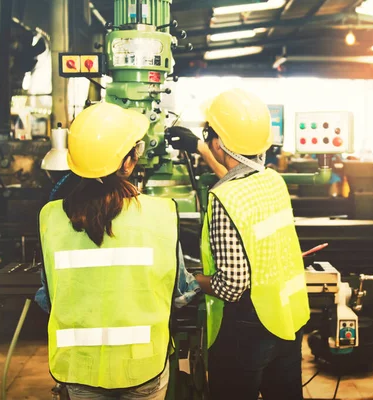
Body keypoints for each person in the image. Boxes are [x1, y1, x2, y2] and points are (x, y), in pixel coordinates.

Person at [35, 102, 200, 400]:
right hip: (143, 365)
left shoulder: (50, 217)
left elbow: (48, 298)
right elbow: (180, 294)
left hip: (79, 367)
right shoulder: (162, 213)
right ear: (128, 162)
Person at [166, 89, 310, 400]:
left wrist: (190, 280)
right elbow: (240, 182)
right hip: (286, 319)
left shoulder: (224, 200)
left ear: (218, 142)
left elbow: (231, 286)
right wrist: (202, 150)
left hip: (246, 330)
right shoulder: (273, 182)